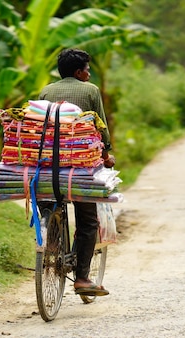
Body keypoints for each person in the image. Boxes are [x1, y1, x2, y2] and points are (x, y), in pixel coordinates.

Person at [38, 48, 115, 296]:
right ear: (79, 72)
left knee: (49, 205)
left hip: (48, 168)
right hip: (79, 169)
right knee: (88, 221)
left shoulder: (46, 91)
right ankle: (82, 277)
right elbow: (100, 128)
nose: (89, 74)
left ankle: (52, 241)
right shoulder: (90, 91)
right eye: (87, 70)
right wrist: (106, 156)